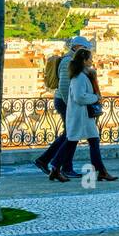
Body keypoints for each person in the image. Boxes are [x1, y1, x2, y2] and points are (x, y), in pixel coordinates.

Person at [49, 48, 119, 183]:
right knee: (72, 141)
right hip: (79, 116)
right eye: (90, 58)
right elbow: (79, 97)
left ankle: (100, 171)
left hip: (83, 116)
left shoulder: (81, 75)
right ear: (84, 60)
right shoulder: (79, 77)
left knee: (88, 141)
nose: (92, 61)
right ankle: (55, 168)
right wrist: (95, 97)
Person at [34, 36, 91, 177]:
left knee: (69, 134)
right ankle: (64, 166)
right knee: (71, 135)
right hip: (64, 102)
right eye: (85, 48)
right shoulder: (68, 61)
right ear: (76, 47)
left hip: (64, 101)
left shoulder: (73, 60)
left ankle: (46, 160)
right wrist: (71, 106)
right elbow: (65, 86)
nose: (87, 51)